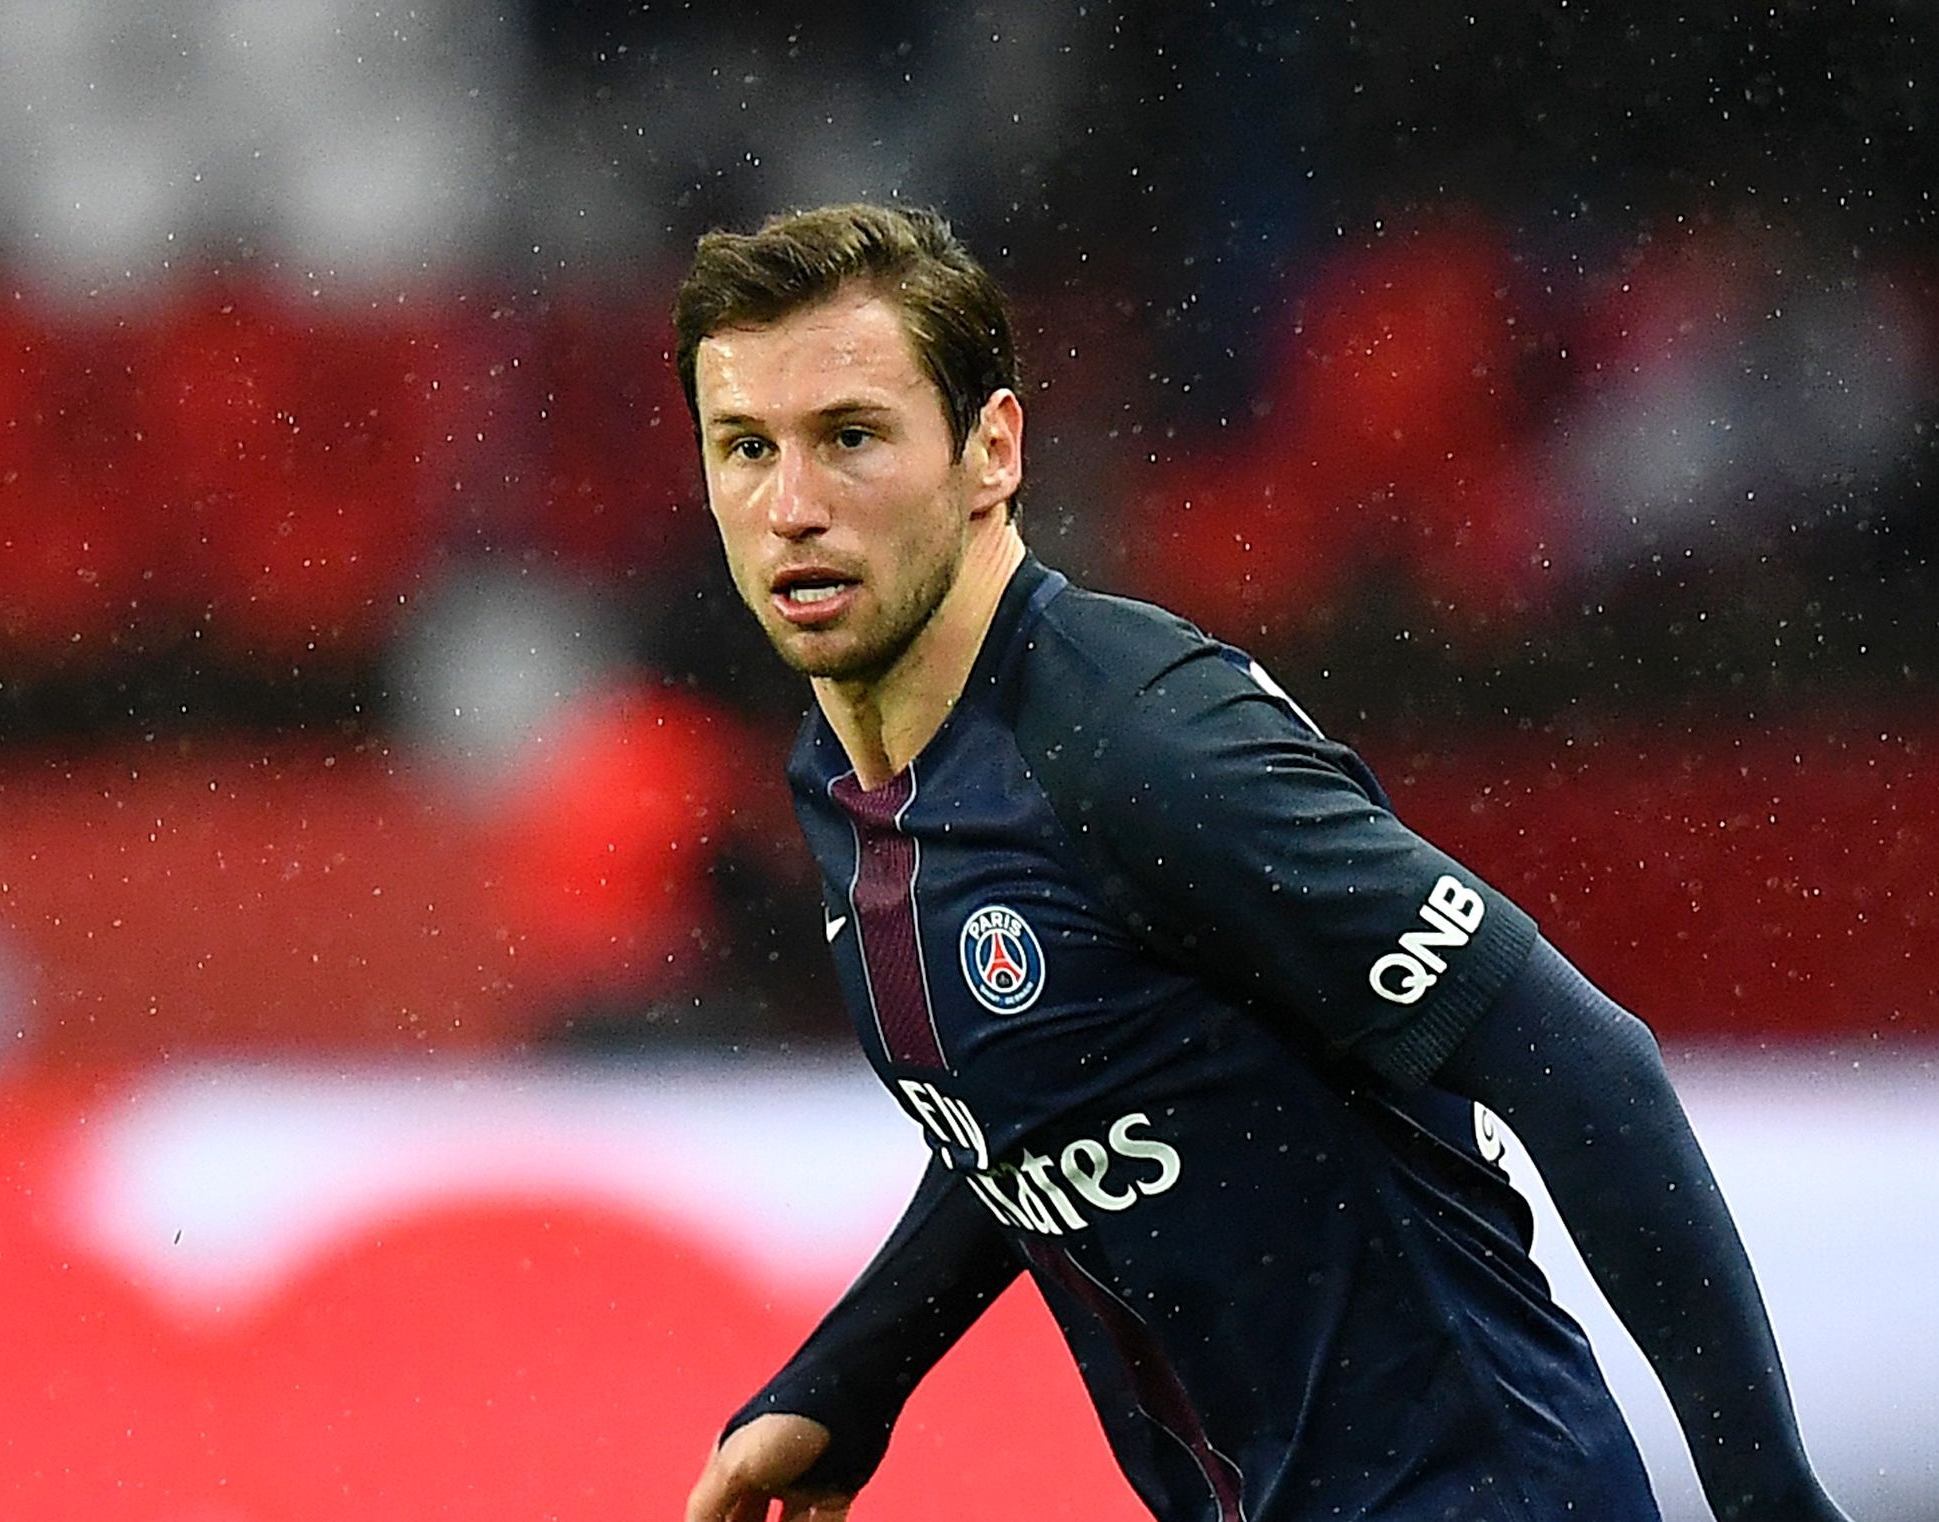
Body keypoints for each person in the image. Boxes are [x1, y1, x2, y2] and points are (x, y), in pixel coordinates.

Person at [672, 203, 1854, 1522]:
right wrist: (848, 1380)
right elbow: (1055, 1085)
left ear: (990, 450)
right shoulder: (852, 772)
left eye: (850, 437)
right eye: (746, 447)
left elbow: (1585, 1066)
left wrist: (1768, 1497)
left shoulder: (1141, 746)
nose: (792, 507)